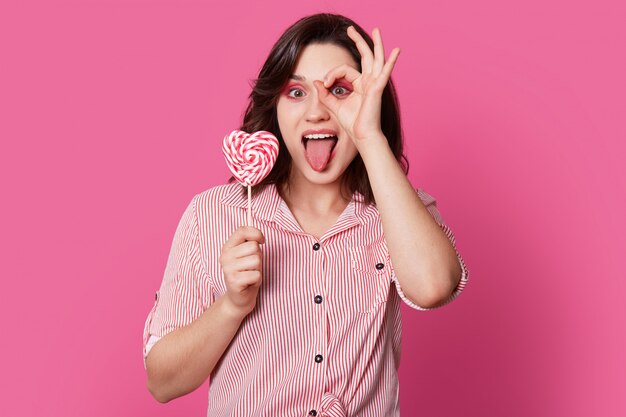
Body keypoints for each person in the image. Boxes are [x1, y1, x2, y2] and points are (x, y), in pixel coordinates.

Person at [142, 13, 469, 416]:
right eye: (296, 92)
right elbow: (162, 382)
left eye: (339, 90)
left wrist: (368, 135)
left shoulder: (399, 209)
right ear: (275, 108)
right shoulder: (213, 214)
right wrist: (232, 305)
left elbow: (435, 286)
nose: (317, 112)